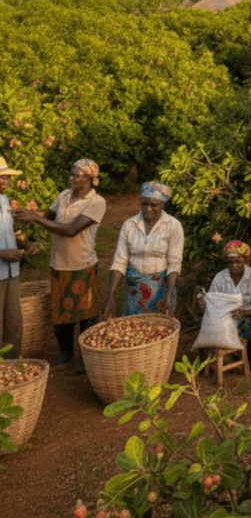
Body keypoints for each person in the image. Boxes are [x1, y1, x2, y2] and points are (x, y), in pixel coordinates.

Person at [13, 160, 106, 370]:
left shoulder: (97, 202)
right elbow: (48, 217)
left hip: (82, 264)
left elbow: (71, 230)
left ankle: (84, 356)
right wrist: (28, 220)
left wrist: (35, 218)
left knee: (86, 314)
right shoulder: (64, 195)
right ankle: (66, 352)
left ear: (91, 179)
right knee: (60, 314)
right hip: (59, 263)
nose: (71, 178)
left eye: (77, 175)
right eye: (71, 174)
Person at [104, 182, 184, 319]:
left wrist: (169, 296)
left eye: (154, 205)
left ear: (162, 204)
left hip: (161, 290)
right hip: (134, 290)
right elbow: (120, 262)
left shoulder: (173, 226)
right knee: (134, 330)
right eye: (144, 204)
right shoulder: (129, 225)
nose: (148, 209)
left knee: (158, 331)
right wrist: (110, 297)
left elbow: (174, 263)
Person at [197, 241, 251, 373]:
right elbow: (212, 300)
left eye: (238, 262)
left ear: (245, 261)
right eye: (230, 262)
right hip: (226, 321)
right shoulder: (220, 277)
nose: (234, 265)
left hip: (248, 320)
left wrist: (244, 313)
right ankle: (219, 358)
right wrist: (204, 303)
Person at [0, 158, 38, 358]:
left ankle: (12, 365)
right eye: (2, 176)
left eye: (7, 176)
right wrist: (2, 253)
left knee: (13, 321)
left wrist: (25, 243)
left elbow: (9, 234)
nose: (6, 179)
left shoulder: (4, 200)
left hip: (11, 272)